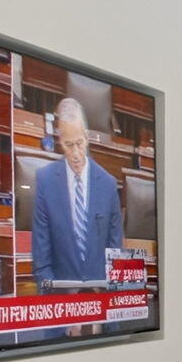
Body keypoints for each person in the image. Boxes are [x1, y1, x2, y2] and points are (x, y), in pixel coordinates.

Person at [31, 97, 123, 288]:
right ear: (59, 140)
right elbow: (42, 257)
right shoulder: (45, 181)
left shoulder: (108, 184)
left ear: (87, 137)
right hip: (61, 301)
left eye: (79, 143)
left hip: (99, 298)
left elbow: (115, 253)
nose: (75, 153)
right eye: (68, 145)